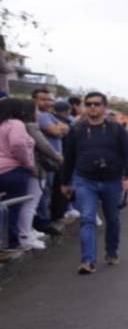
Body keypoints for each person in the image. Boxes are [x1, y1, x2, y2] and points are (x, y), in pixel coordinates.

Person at [60, 92, 128, 274]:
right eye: (88, 104)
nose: (92, 107)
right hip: (85, 180)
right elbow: (69, 157)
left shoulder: (117, 129)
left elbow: (127, 155)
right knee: (87, 218)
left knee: (113, 219)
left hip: (112, 180)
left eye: (96, 104)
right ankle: (88, 260)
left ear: (104, 107)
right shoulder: (77, 130)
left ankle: (111, 251)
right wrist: (65, 182)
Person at [20, 99, 63, 250]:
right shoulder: (30, 126)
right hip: (34, 168)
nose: (38, 114)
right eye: (36, 110)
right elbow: (44, 145)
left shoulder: (15, 125)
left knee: (28, 202)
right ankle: (25, 234)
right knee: (31, 202)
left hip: (25, 168)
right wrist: (58, 157)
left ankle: (27, 231)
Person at [0, 97, 36, 251]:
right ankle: (9, 243)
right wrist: (28, 163)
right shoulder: (16, 124)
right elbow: (17, 144)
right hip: (12, 170)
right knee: (12, 208)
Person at [32, 88, 66, 235]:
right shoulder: (40, 116)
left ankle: (46, 219)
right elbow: (57, 131)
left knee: (49, 190)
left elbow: (67, 128)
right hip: (45, 160)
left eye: (49, 99)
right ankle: (43, 222)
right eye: (43, 99)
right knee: (44, 191)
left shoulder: (49, 115)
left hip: (53, 159)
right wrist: (59, 129)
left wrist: (59, 128)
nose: (47, 102)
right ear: (34, 100)